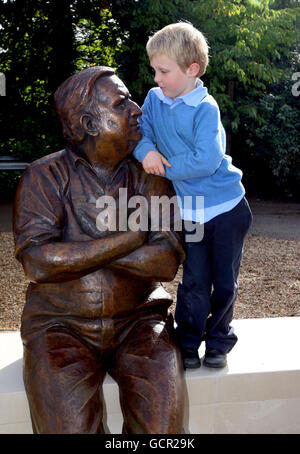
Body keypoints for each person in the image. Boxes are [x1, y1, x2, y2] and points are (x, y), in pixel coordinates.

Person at [13, 66, 186, 434]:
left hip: (140, 323)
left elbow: (166, 260)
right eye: (122, 103)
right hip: (59, 327)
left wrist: (77, 252)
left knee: (163, 430)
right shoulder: (43, 177)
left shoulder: (151, 178)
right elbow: (38, 263)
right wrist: (129, 239)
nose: (137, 109)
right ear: (90, 123)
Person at [133, 22, 253, 369]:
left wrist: (163, 168)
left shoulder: (206, 109)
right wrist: (146, 154)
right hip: (193, 209)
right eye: (155, 69)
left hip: (228, 208)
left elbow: (206, 160)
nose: (156, 78)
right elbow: (143, 136)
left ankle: (218, 342)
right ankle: (187, 343)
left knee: (224, 283)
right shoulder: (155, 100)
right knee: (194, 281)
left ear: (192, 70)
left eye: (163, 71)